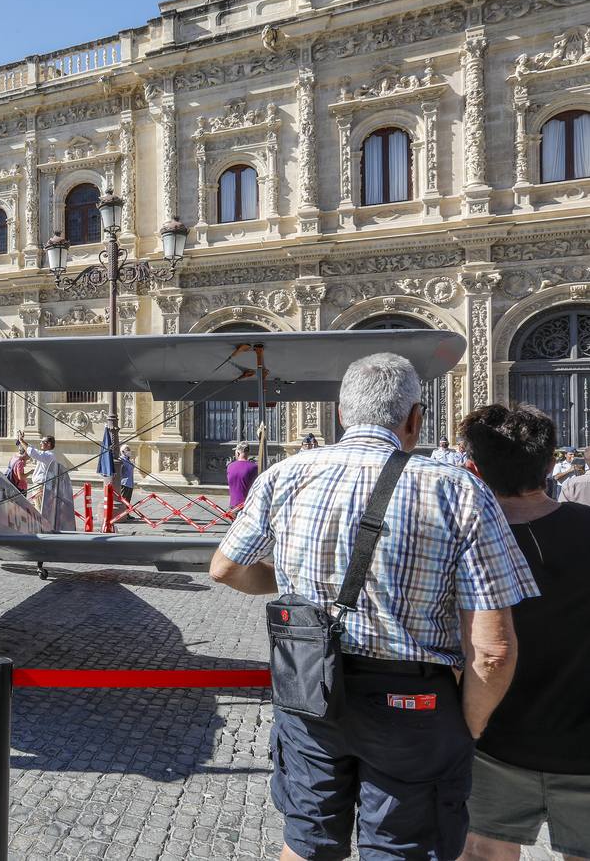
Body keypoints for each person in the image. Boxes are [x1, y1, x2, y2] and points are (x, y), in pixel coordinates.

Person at [209, 353, 537, 861]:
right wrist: (467, 725)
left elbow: (225, 569)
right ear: (415, 418)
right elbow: (493, 649)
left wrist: (296, 583)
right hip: (413, 704)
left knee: (306, 843)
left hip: (308, 686)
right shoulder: (457, 488)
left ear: (342, 414)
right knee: (401, 848)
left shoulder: (285, 474)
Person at [456, 405, 590, 861]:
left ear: (472, 470)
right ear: (552, 462)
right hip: (583, 739)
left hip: (494, 740)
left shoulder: (462, 542)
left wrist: (467, 730)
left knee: (483, 851)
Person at [16, 431, 73, 531]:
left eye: (42, 442)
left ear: (49, 444)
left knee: (40, 510)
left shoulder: (48, 455)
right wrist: (23, 442)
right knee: (39, 508)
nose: (40, 443)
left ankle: (44, 530)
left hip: (40, 487)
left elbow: (33, 452)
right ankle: (44, 529)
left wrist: (21, 440)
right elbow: (34, 450)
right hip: (40, 486)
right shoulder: (47, 455)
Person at [225, 441, 258, 513]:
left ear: (238, 453)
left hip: (233, 506)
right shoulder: (254, 467)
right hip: (248, 506)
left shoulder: (230, 467)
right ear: (248, 452)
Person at [118, 445, 136, 521]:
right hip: (124, 483)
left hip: (130, 483)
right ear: (123, 452)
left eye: (129, 449)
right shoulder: (121, 460)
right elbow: (120, 472)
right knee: (124, 499)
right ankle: (122, 514)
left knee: (128, 500)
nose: (129, 451)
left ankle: (127, 514)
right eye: (127, 449)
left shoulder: (128, 460)